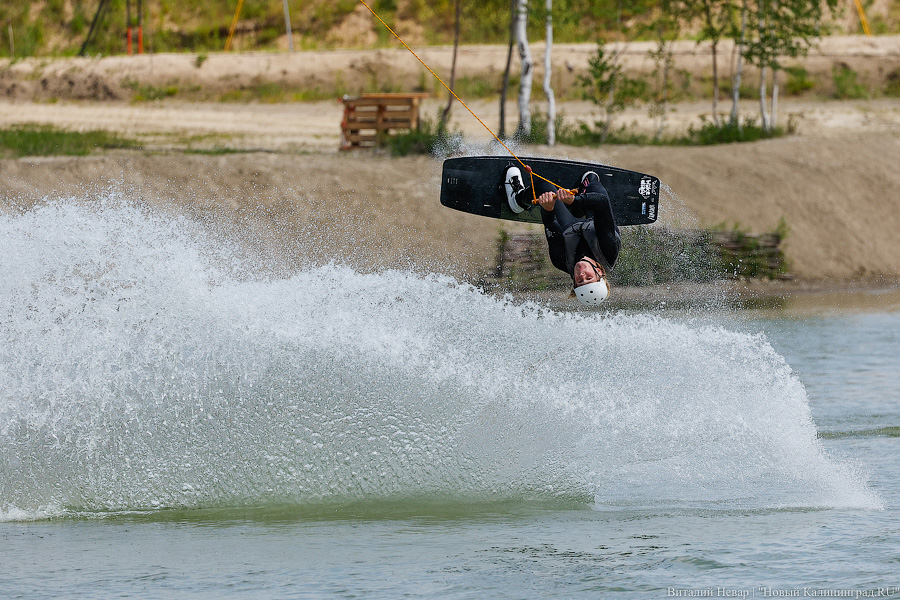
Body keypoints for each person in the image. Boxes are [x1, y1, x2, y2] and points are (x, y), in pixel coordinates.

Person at [504, 167, 620, 305]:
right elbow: (602, 204)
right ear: (600, 272)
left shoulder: (560, 260)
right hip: (596, 223)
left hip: (568, 228)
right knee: (593, 182)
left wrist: (548, 209)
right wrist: (574, 201)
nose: (582, 275)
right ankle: (580, 202)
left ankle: (518, 200)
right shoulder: (609, 250)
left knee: (544, 187)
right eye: (589, 278)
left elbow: (550, 223)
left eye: (579, 281)